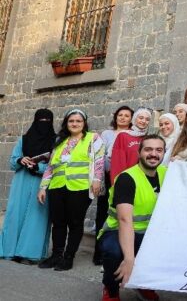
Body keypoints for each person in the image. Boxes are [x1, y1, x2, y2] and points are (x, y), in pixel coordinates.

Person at [97, 134, 165, 301]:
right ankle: (111, 289)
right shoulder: (127, 178)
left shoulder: (166, 174)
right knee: (114, 251)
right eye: (148, 149)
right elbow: (124, 220)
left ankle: (144, 284)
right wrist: (129, 259)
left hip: (148, 232)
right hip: (117, 230)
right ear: (139, 152)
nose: (153, 154)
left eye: (159, 150)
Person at [37, 109, 104, 271]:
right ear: (67, 123)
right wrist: (43, 187)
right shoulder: (60, 140)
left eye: (78, 121)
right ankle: (56, 255)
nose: (74, 124)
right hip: (57, 186)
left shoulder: (92, 138)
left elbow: (99, 160)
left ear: (84, 123)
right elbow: (50, 166)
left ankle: (68, 257)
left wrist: (97, 180)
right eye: (71, 121)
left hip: (79, 187)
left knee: (75, 223)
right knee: (58, 222)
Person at [0, 109, 55, 264]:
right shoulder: (23, 140)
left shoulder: (55, 141)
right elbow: (12, 162)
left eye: (47, 121)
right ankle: (10, 250)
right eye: (40, 120)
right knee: (15, 215)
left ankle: (29, 254)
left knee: (37, 218)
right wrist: (21, 160)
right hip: (21, 182)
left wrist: (40, 168)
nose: (43, 124)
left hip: (42, 184)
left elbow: (56, 166)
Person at [96, 106, 133, 264]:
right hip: (107, 175)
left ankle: (119, 251)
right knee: (103, 213)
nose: (123, 118)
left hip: (125, 177)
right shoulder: (107, 134)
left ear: (131, 119)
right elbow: (100, 155)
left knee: (122, 215)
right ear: (115, 117)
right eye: (120, 115)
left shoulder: (133, 135)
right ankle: (99, 252)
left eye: (127, 115)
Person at [110, 108, 152, 183]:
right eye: (141, 118)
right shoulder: (123, 135)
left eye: (147, 119)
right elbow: (117, 162)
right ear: (135, 119)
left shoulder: (148, 139)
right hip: (128, 179)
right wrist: (119, 182)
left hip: (145, 180)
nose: (144, 121)